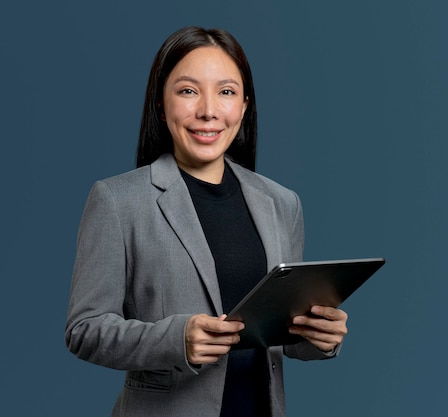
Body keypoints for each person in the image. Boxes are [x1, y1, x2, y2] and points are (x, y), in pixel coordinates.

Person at [65, 26, 348, 417]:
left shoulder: (282, 203)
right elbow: (85, 330)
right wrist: (176, 339)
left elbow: (281, 334)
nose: (209, 110)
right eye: (188, 91)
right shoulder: (118, 200)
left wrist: (319, 336)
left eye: (227, 92)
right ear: (161, 105)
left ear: (245, 105)